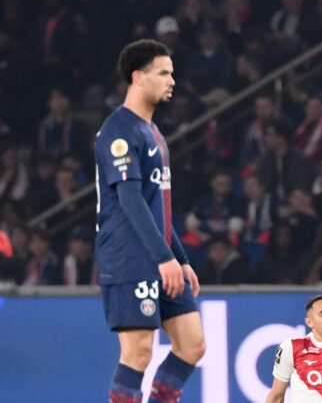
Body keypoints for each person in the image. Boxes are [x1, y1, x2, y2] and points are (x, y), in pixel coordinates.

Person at [94, 39, 205, 403]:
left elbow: (157, 208)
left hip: (159, 255)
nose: (172, 81)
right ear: (139, 77)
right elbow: (129, 199)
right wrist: (164, 258)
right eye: (164, 73)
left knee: (192, 344)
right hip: (128, 256)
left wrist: (181, 259)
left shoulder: (154, 133)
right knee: (138, 352)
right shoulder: (119, 131)